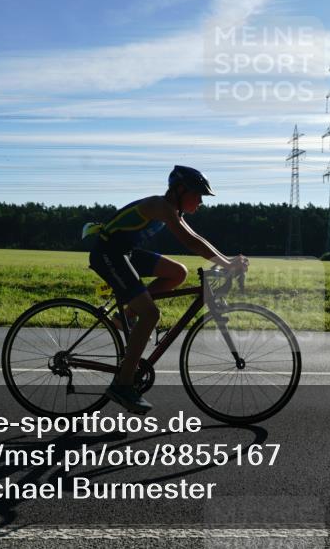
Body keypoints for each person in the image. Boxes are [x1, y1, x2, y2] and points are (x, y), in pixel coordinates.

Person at [86, 166, 248, 414]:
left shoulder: (172, 210)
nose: (201, 202)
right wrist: (226, 263)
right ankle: (123, 384)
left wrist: (226, 259)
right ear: (180, 191)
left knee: (178, 273)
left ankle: (125, 316)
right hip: (108, 253)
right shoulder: (159, 206)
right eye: (198, 194)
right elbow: (189, 241)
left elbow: (198, 238)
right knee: (150, 315)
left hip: (124, 252)